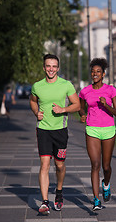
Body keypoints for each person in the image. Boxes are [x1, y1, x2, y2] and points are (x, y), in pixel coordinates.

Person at [29, 54, 80, 215]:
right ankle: (44, 202)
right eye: (48, 66)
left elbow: (77, 105)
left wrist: (63, 109)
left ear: (58, 68)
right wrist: (36, 112)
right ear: (44, 67)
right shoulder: (37, 86)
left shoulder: (66, 85)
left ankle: (58, 191)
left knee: (59, 165)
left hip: (60, 131)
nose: (51, 69)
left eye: (54, 66)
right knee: (44, 165)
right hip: (43, 130)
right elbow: (32, 101)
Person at [79, 58, 116, 211]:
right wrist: (82, 114)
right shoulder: (85, 91)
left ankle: (106, 184)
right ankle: (96, 200)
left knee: (106, 166)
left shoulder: (111, 90)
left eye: (98, 72)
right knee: (95, 165)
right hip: (92, 129)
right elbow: (81, 107)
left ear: (103, 74)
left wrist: (105, 104)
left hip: (108, 129)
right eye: (93, 71)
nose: (95, 74)